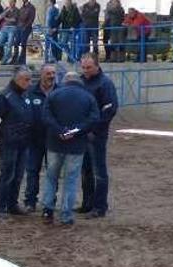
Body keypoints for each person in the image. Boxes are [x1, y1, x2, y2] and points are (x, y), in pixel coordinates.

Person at [41, 71, 98, 226]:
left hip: (55, 143)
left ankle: (47, 210)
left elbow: (46, 116)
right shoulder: (88, 97)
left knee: (51, 177)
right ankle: (66, 215)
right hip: (76, 145)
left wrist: (60, 130)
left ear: (65, 80)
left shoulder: (54, 95)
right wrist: (74, 131)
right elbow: (94, 119)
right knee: (71, 180)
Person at [0, 66, 41, 217]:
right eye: (27, 79)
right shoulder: (4, 97)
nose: (30, 82)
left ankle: (12, 204)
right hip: (9, 142)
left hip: (23, 142)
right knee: (7, 174)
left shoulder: (25, 95)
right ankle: (0, 207)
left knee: (18, 175)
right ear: (17, 79)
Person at [78, 52, 117, 219]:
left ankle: (100, 206)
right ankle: (87, 203)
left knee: (98, 171)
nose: (86, 70)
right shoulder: (80, 82)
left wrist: (95, 129)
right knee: (85, 170)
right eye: (84, 67)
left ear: (97, 66)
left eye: (89, 67)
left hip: (96, 135)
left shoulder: (105, 83)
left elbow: (110, 109)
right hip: (83, 133)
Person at [23, 63, 56, 210]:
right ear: (41, 75)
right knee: (32, 171)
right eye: (48, 73)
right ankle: (30, 202)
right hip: (34, 140)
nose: (51, 76)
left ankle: (50, 202)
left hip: (54, 141)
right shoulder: (30, 91)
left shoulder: (60, 91)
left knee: (53, 172)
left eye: (53, 73)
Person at [14, 0, 35, 64]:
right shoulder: (22, 7)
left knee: (23, 43)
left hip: (26, 28)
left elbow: (31, 19)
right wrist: (17, 25)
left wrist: (25, 27)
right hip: (19, 27)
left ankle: (22, 60)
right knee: (16, 43)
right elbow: (18, 18)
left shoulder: (31, 7)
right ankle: (15, 58)